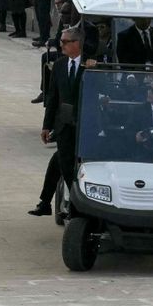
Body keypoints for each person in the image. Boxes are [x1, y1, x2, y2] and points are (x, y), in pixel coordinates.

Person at [31, 28, 86, 217]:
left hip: (83, 125)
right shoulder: (60, 65)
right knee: (63, 161)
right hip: (63, 124)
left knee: (63, 162)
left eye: (65, 42)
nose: (61, 45)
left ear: (77, 43)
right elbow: (53, 97)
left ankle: (66, 203)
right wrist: (46, 126)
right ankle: (59, 203)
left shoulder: (90, 66)